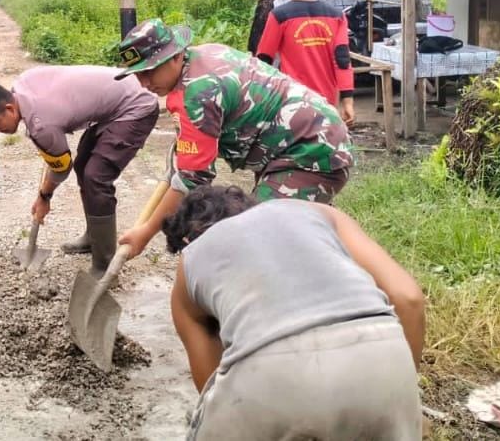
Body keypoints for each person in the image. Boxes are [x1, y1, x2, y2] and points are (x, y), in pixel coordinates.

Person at [164, 184, 425, 440]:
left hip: (273, 375)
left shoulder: (190, 261)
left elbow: (209, 386)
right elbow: (408, 298)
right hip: (383, 356)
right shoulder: (318, 213)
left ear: (185, 242)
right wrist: (398, 391)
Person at [114, 18, 354, 260]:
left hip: (310, 151)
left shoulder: (197, 93)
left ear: (175, 55)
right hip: (301, 141)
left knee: (258, 237)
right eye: (137, 74)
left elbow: (193, 179)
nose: (144, 83)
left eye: (149, 71)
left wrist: (144, 233)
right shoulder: (201, 56)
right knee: (294, 232)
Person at [0, 66, 158, 275]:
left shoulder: (41, 125)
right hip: (120, 97)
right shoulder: (22, 84)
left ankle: (104, 266)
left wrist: (44, 196)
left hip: (137, 105)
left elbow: (61, 168)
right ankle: (93, 237)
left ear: (10, 109)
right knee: (83, 164)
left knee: (96, 177)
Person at [255, 0, 355, 126]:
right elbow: (342, 60)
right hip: (327, 103)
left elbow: (264, 59)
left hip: (293, 102)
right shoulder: (336, 16)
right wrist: (348, 102)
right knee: (323, 149)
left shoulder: (279, 16)